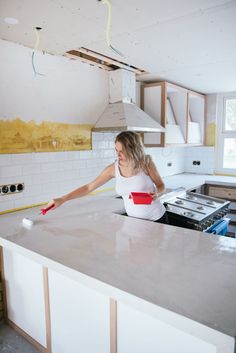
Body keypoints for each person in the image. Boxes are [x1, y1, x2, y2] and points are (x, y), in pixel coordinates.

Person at [47, 131, 168, 223]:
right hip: (134, 223)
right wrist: (62, 199)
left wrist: (157, 194)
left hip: (156, 219)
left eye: (122, 151)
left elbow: (161, 185)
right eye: (116, 150)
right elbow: (88, 187)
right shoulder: (113, 169)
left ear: (133, 149)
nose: (118, 154)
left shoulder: (146, 163)